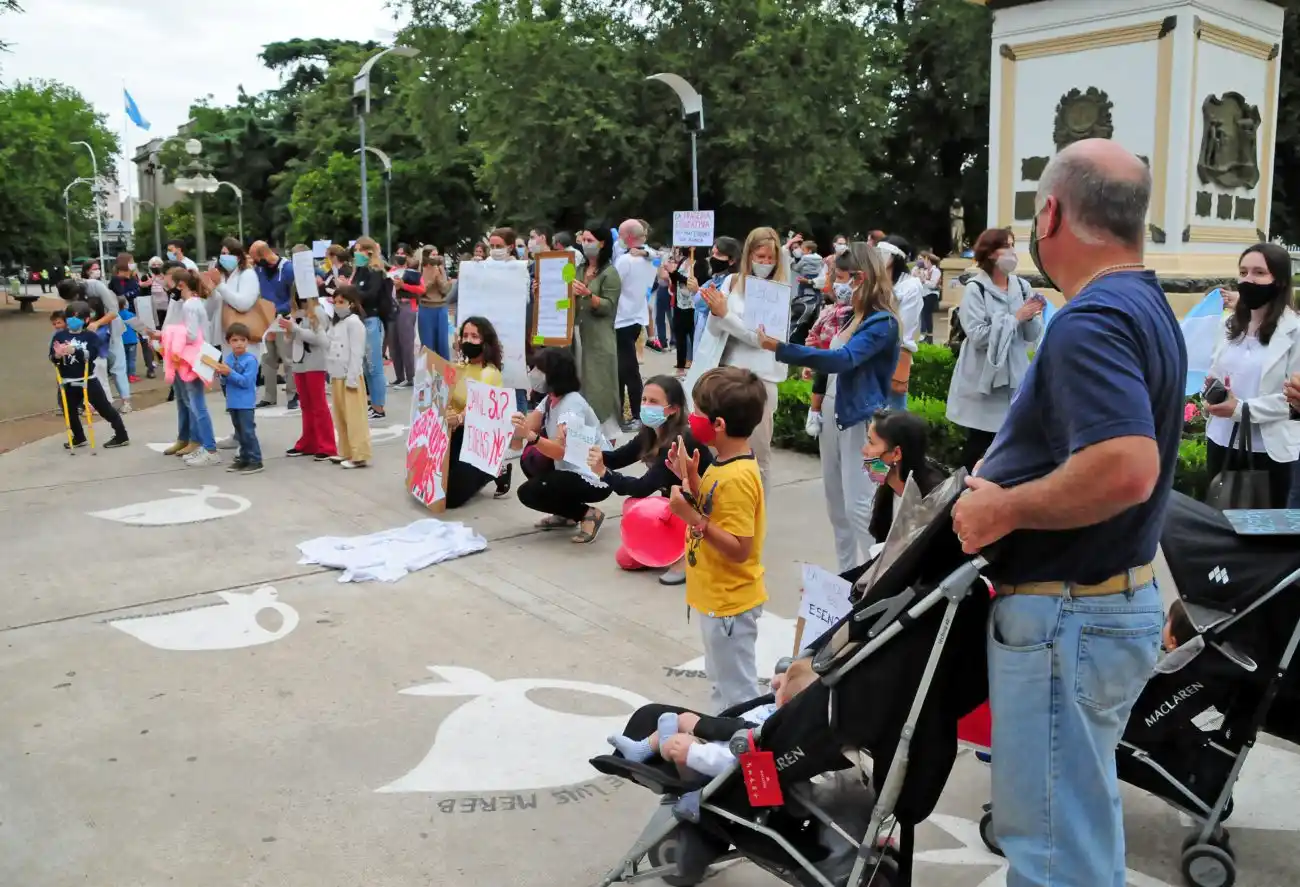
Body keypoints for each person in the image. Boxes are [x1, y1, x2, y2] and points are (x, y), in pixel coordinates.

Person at [951, 139, 1185, 887]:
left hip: (1068, 618)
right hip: (1100, 607)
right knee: (1076, 827)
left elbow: (1127, 466)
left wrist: (1004, 508)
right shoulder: (1142, 302)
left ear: (1049, 212)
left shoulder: (1091, 320)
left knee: (1055, 852)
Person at [757, 243, 900, 572]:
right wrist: (816, 387)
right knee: (837, 508)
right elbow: (831, 357)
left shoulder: (883, 323)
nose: (836, 283)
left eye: (843, 277)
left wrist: (782, 349)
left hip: (860, 421)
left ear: (862, 277)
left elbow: (844, 359)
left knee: (860, 507)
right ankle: (847, 575)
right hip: (834, 418)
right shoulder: (853, 316)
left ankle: (875, 575)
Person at [667, 366, 769, 713]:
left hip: (730, 606)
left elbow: (741, 548)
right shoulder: (724, 462)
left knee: (739, 695)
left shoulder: (737, 476)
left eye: (698, 412)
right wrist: (692, 480)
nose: (693, 419)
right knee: (720, 684)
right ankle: (722, 746)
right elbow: (717, 509)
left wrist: (692, 518)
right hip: (716, 598)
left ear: (719, 424)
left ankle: (746, 757)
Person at [1201, 242, 1300, 508]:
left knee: (1263, 538)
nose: (1248, 280)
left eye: (1258, 273)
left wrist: (1241, 409)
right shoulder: (1229, 324)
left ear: (1278, 281)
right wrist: (1210, 395)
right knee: (1221, 526)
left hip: (1269, 450)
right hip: (1221, 440)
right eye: (1243, 272)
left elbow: (1292, 402)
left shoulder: (1294, 331)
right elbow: (1214, 373)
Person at [690, 227, 790, 490]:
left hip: (760, 380)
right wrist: (716, 313)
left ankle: (756, 522)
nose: (765, 263)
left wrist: (726, 316)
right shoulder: (732, 282)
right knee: (719, 451)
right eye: (760, 256)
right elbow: (714, 330)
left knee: (757, 455)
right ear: (748, 255)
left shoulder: (778, 291)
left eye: (771, 258)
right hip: (726, 374)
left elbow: (762, 340)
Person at [587, 375, 713, 584]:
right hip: (674, 504)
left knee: (634, 503)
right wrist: (589, 450)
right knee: (626, 558)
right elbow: (619, 457)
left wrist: (604, 473)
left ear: (673, 409)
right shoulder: (651, 433)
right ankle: (671, 546)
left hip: (698, 507)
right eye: (644, 400)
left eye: (654, 402)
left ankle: (690, 553)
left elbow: (642, 488)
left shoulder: (679, 439)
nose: (646, 406)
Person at [607, 657, 818, 775]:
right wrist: (779, 687)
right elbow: (773, 701)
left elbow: (729, 762)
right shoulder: (785, 708)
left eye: (783, 688)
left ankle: (665, 748)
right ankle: (642, 749)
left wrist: (693, 752)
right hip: (726, 730)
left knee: (679, 739)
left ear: (787, 702)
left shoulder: (777, 733)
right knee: (677, 719)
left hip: (721, 750)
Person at [944, 227, 1045, 472]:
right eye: (1006, 246)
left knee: (1009, 443)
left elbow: (1031, 336)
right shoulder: (975, 289)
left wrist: (1031, 317)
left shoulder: (1021, 287)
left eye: (1013, 245)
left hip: (1014, 380)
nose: (1012, 252)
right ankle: (960, 496)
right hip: (983, 380)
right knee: (979, 445)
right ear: (990, 253)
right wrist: (1016, 317)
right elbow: (978, 335)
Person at [511, 347, 612, 543]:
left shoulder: (572, 406)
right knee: (530, 460)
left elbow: (560, 451)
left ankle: (588, 514)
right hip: (570, 469)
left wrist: (532, 437)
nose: (533, 374)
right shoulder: (551, 399)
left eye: (539, 370)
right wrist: (517, 427)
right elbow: (529, 424)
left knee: (530, 492)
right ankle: (566, 514)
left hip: (593, 474)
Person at [444, 316, 513, 507]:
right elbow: (446, 398)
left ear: (485, 342)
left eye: (474, 336)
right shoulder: (458, 368)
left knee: (450, 499)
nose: (468, 340)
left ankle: (493, 468)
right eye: (465, 335)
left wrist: (457, 417)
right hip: (457, 435)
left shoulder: (490, 373)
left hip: (480, 441)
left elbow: (476, 408)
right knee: (434, 484)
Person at [860, 409, 947, 549]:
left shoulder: (932, 500)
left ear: (896, 453)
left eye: (871, 442)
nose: (864, 450)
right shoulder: (888, 490)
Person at [50, 302, 129, 449]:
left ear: (87, 320)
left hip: (88, 379)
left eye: (77, 317)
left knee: (104, 408)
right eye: (70, 317)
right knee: (69, 410)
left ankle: (121, 435)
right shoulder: (59, 336)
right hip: (67, 381)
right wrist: (57, 355)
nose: (73, 320)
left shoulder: (90, 336)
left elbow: (91, 355)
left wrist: (75, 351)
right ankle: (79, 437)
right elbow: (52, 357)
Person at [572, 225, 623, 435]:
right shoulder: (577, 269)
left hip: (600, 339)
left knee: (600, 386)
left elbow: (608, 306)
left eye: (589, 240)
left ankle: (607, 440)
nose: (585, 244)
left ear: (602, 243)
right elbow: (563, 296)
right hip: (577, 336)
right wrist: (543, 291)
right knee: (580, 385)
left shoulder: (610, 273)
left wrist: (587, 294)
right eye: (583, 240)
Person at [279, 285, 338, 461]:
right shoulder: (297, 313)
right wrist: (289, 331)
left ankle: (327, 445)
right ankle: (309, 442)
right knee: (306, 405)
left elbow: (320, 339)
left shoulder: (318, 312)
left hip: (315, 362)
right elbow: (294, 338)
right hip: (299, 361)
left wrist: (296, 329)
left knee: (318, 404)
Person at [248, 241, 298, 410]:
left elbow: (294, 296)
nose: (254, 262)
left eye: (255, 258)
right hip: (265, 319)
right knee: (267, 359)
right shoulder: (259, 270)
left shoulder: (288, 269)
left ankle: (293, 394)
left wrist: (281, 309)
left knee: (288, 358)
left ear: (263, 254)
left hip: (283, 318)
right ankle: (269, 396)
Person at [326, 286, 372, 468]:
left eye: (341, 302)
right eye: (335, 302)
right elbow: (328, 344)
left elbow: (357, 352)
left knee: (355, 417)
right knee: (341, 416)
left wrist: (352, 377)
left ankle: (359, 454)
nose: (338, 306)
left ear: (351, 304)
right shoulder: (336, 323)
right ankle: (345, 451)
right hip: (337, 375)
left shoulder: (354, 323)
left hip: (349, 376)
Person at [613, 219, 652, 429]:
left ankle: (638, 415)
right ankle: (624, 413)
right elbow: (657, 257)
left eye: (620, 235)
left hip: (622, 319)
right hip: (637, 318)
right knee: (623, 369)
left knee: (628, 370)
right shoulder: (647, 258)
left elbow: (613, 285)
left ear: (627, 237)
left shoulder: (625, 261)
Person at [878, 235, 924, 411]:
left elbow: (903, 329)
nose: (879, 257)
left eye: (884, 253)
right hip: (868, 355)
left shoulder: (911, 286)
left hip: (892, 356)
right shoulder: (876, 282)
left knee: (891, 422)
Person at [216, 323, 263, 474]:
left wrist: (229, 373)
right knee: (240, 433)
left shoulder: (250, 360)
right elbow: (225, 382)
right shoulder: (228, 359)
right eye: (235, 340)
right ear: (228, 342)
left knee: (248, 432)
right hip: (233, 402)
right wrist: (221, 375)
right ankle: (244, 458)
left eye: (242, 340)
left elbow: (246, 382)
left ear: (247, 341)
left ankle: (256, 460)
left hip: (246, 403)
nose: (239, 343)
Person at [387, 251, 421, 388]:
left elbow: (421, 289)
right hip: (392, 306)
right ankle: (399, 376)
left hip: (407, 306)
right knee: (393, 344)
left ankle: (411, 377)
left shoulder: (412, 273)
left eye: (403, 254)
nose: (400, 256)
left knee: (406, 343)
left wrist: (403, 286)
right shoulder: (390, 272)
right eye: (398, 253)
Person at [417, 251, 452, 360]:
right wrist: (432, 280)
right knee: (427, 343)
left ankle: (444, 373)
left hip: (441, 308)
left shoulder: (440, 269)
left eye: (436, 254)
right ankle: (428, 373)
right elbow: (420, 291)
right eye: (432, 254)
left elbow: (445, 290)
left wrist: (441, 279)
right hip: (426, 308)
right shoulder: (421, 270)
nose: (435, 257)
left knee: (442, 342)